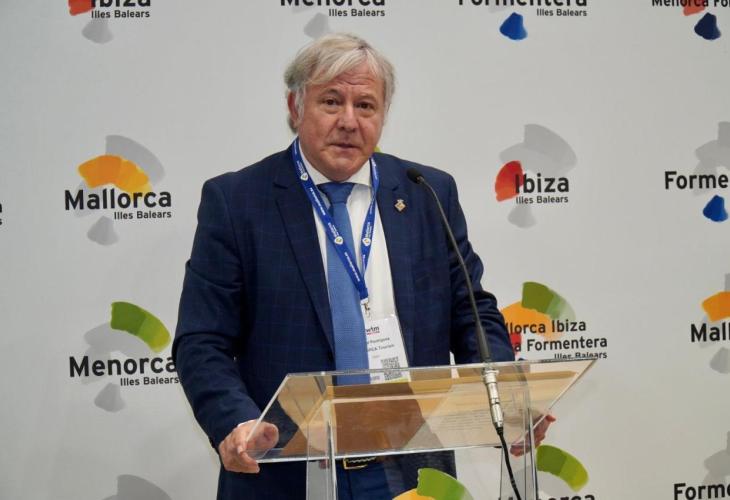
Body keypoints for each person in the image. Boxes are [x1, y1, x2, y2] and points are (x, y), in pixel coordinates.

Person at [173, 33, 523, 500]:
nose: (349, 121)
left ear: (383, 115)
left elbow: (471, 313)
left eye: (366, 106)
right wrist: (237, 422)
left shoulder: (426, 192)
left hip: (409, 469)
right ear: (295, 106)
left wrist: (506, 400)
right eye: (332, 101)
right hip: (284, 470)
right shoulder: (238, 201)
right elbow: (202, 340)